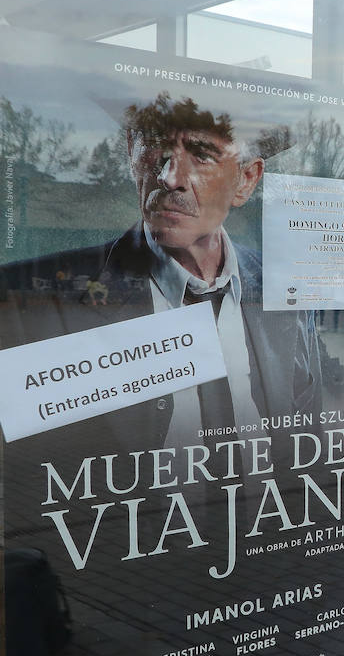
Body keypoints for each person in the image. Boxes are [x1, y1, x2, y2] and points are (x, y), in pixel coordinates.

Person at [0, 92, 324, 454]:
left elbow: (305, 444)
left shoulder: (283, 286)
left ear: (246, 180)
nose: (171, 178)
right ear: (131, 152)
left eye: (201, 154)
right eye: (156, 146)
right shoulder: (27, 300)